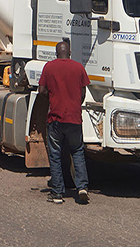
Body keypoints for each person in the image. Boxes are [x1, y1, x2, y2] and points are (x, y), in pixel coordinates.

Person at [38, 41, 91, 204]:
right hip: (74, 118)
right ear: (69, 53)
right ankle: (82, 187)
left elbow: (41, 91)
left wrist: (52, 99)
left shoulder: (49, 67)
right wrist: (74, 104)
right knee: (77, 152)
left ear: (56, 53)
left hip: (55, 118)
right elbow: (83, 93)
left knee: (55, 155)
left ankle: (57, 194)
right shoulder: (79, 68)